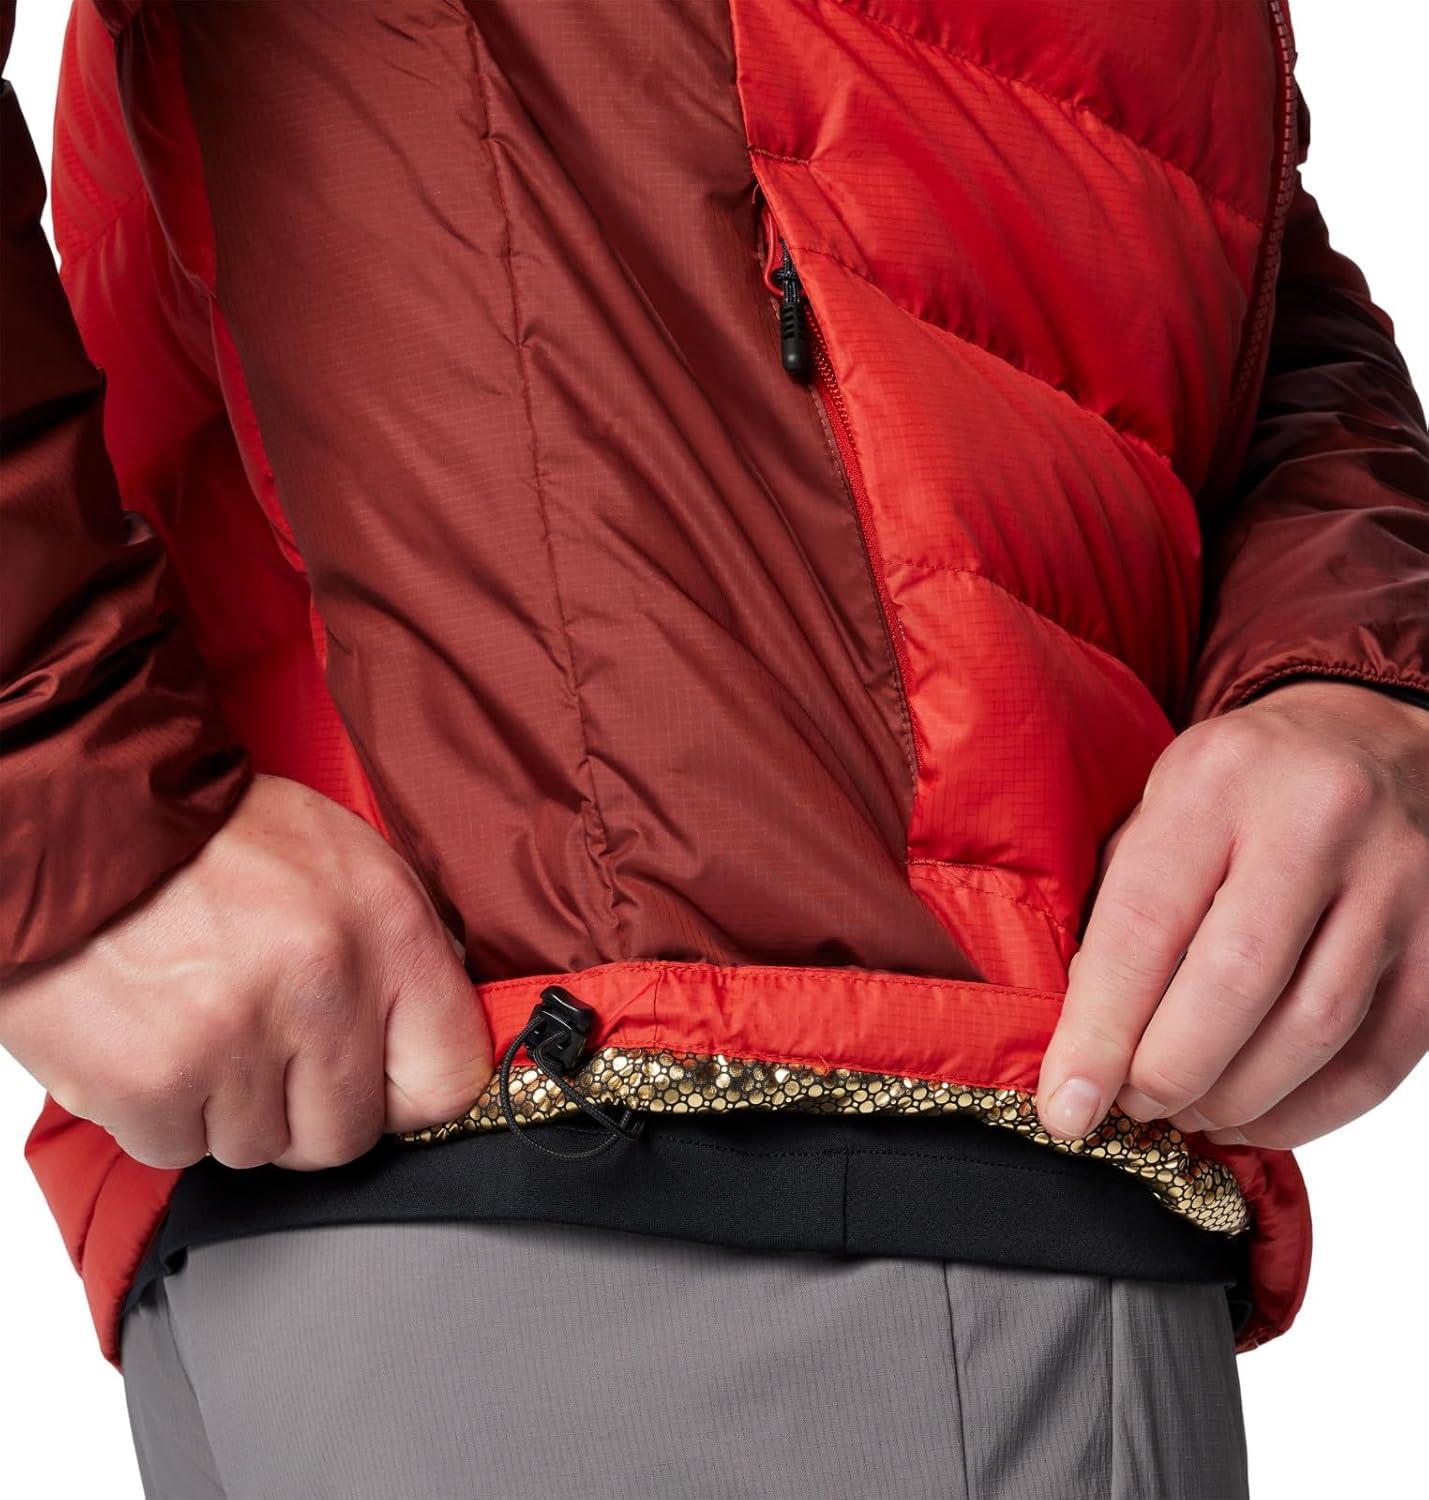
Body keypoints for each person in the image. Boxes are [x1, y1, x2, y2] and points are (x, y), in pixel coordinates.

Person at [2, 3, 1425, 1497]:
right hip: (656, 1126)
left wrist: (1348, 671)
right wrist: (61, 777)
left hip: (904, 1138)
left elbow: (1180, 211)